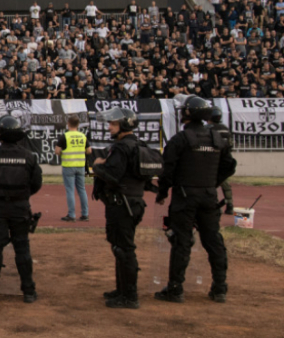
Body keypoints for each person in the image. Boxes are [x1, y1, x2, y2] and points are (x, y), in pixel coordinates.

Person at [155, 96, 236, 304]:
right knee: (214, 241)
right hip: (209, 196)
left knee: (181, 242)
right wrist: (212, 183)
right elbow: (230, 166)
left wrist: (163, 192)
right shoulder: (217, 138)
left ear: (188, 113)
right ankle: (220, 288)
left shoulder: (181, 139)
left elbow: (167, 170)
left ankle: (176, 289)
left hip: (185, 196)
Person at [0, 116, 43, 303]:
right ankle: (28, 291)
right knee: (22, 248)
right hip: (20, 208)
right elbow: (36, 184)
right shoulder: (29, 156)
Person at [91, 108, 147, 309]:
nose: (109, 127)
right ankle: (122, 289)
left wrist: (98, 166)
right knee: (120, 247)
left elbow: (112, 175)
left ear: (124, 125)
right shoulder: (138, 145)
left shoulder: (122, 147)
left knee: (124, 249)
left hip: (122, 204)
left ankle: (130, 296)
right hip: (133, 202)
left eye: (113, 124)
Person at [55, 115, 90, 222]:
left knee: (70, 190)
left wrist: (62, 154)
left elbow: (57, 151)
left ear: (68, 124)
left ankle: (72, 215)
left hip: (68, 166)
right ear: (78, 125)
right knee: (82, 190)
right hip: (80, 166)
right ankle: (85, 214)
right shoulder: (83, 136)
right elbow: (89, 151)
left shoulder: (64, 136)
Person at [209, 107, 235, 215]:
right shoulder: (225, 129)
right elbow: (230, 144)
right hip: (225, 159)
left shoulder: (208, 128)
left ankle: (214, 205)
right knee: (224, 183)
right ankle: (229, 204)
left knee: (210, 184)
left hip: (212, 159)